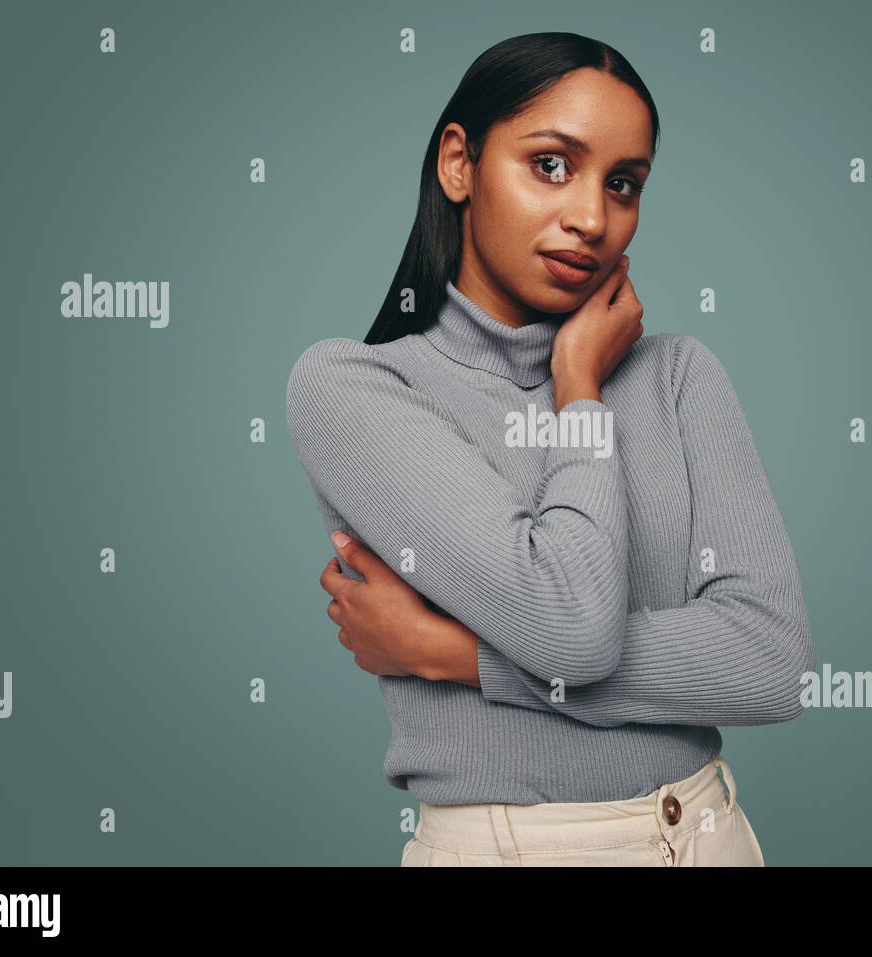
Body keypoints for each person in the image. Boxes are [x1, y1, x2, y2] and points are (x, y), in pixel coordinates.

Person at [285, 32, 813, 866]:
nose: (592, 218)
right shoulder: (357, 388)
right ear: (459, 163)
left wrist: (448, 653)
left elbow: (772, 665)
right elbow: (571, 625)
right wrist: (578, 390)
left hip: (710, 833)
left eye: (624, 183)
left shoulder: (679, 376)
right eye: (552, 165)